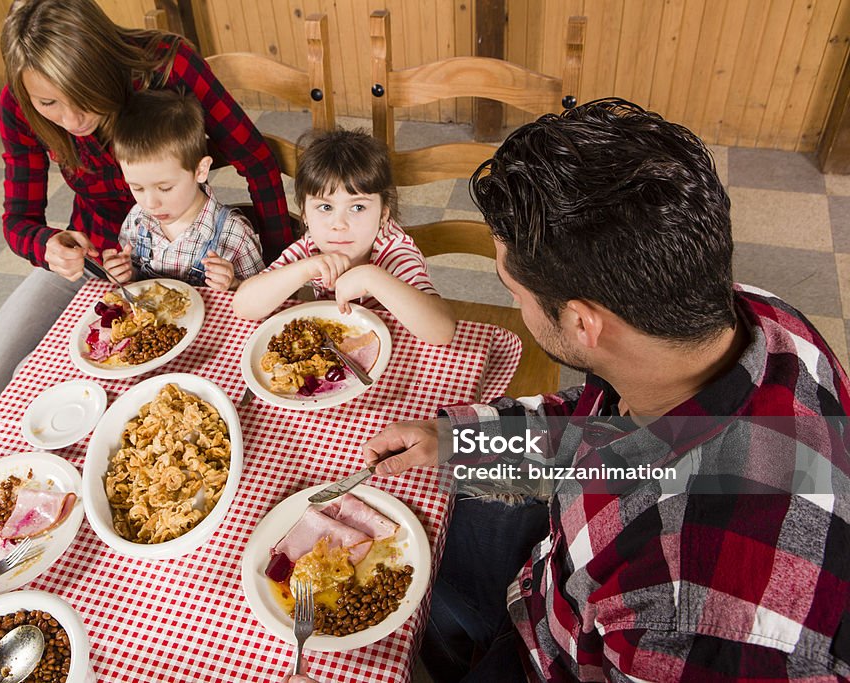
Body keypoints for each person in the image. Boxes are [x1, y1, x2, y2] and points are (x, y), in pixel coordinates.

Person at [351, 99, 850, 682]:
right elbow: (603, 437)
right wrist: (458, 441)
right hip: (557, 578)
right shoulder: (751, 315)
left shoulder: (690, 611)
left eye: (514, 290)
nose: (514, 302)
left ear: (584, 324)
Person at [0, 0, 292, 401]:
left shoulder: (166, 66)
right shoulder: (19, 105)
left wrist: (276, 267)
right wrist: (47, 245)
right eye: (49, 104)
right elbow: (17, 219)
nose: (71, 121)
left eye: (81, 96)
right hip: (100, 259)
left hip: (191, 259)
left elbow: (256, 160)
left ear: (101, 65)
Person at [233, 129, 456, 346]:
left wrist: (372, 278)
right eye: (325, 207)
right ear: (305, 215)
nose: (339, 224)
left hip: (401, 349)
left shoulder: (394, 250)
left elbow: (442, 332)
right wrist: (303, 269)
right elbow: (244, 306)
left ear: (383, 215)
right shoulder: (312, 246)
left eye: (357, 207)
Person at [100, 89, 263, 290]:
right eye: (137, 188)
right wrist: (126, 272)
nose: (150, 203)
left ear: (201, 170)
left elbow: (261, 295)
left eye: (165, 188)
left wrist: (234, 284)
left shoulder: (233, 235)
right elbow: (136, 274)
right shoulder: (137, 219)